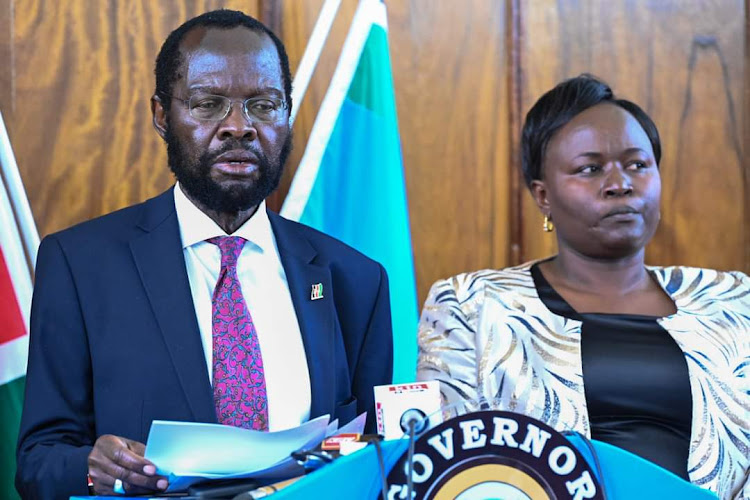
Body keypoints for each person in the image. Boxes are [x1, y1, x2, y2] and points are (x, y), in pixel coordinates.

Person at [16, 9, 393, 499]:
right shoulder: (81, 265)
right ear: (161, 115)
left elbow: (374, 453)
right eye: (209, 104)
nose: (239, 127)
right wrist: (93, 469)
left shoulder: (354, 280)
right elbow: (37, 463)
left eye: (263, 105)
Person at [417, 75, 749, 499]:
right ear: (543, 195)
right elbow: (448, 463)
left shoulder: (735, 300)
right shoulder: (472, 304)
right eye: (590, 169)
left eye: (637, 165)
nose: (620, 183)